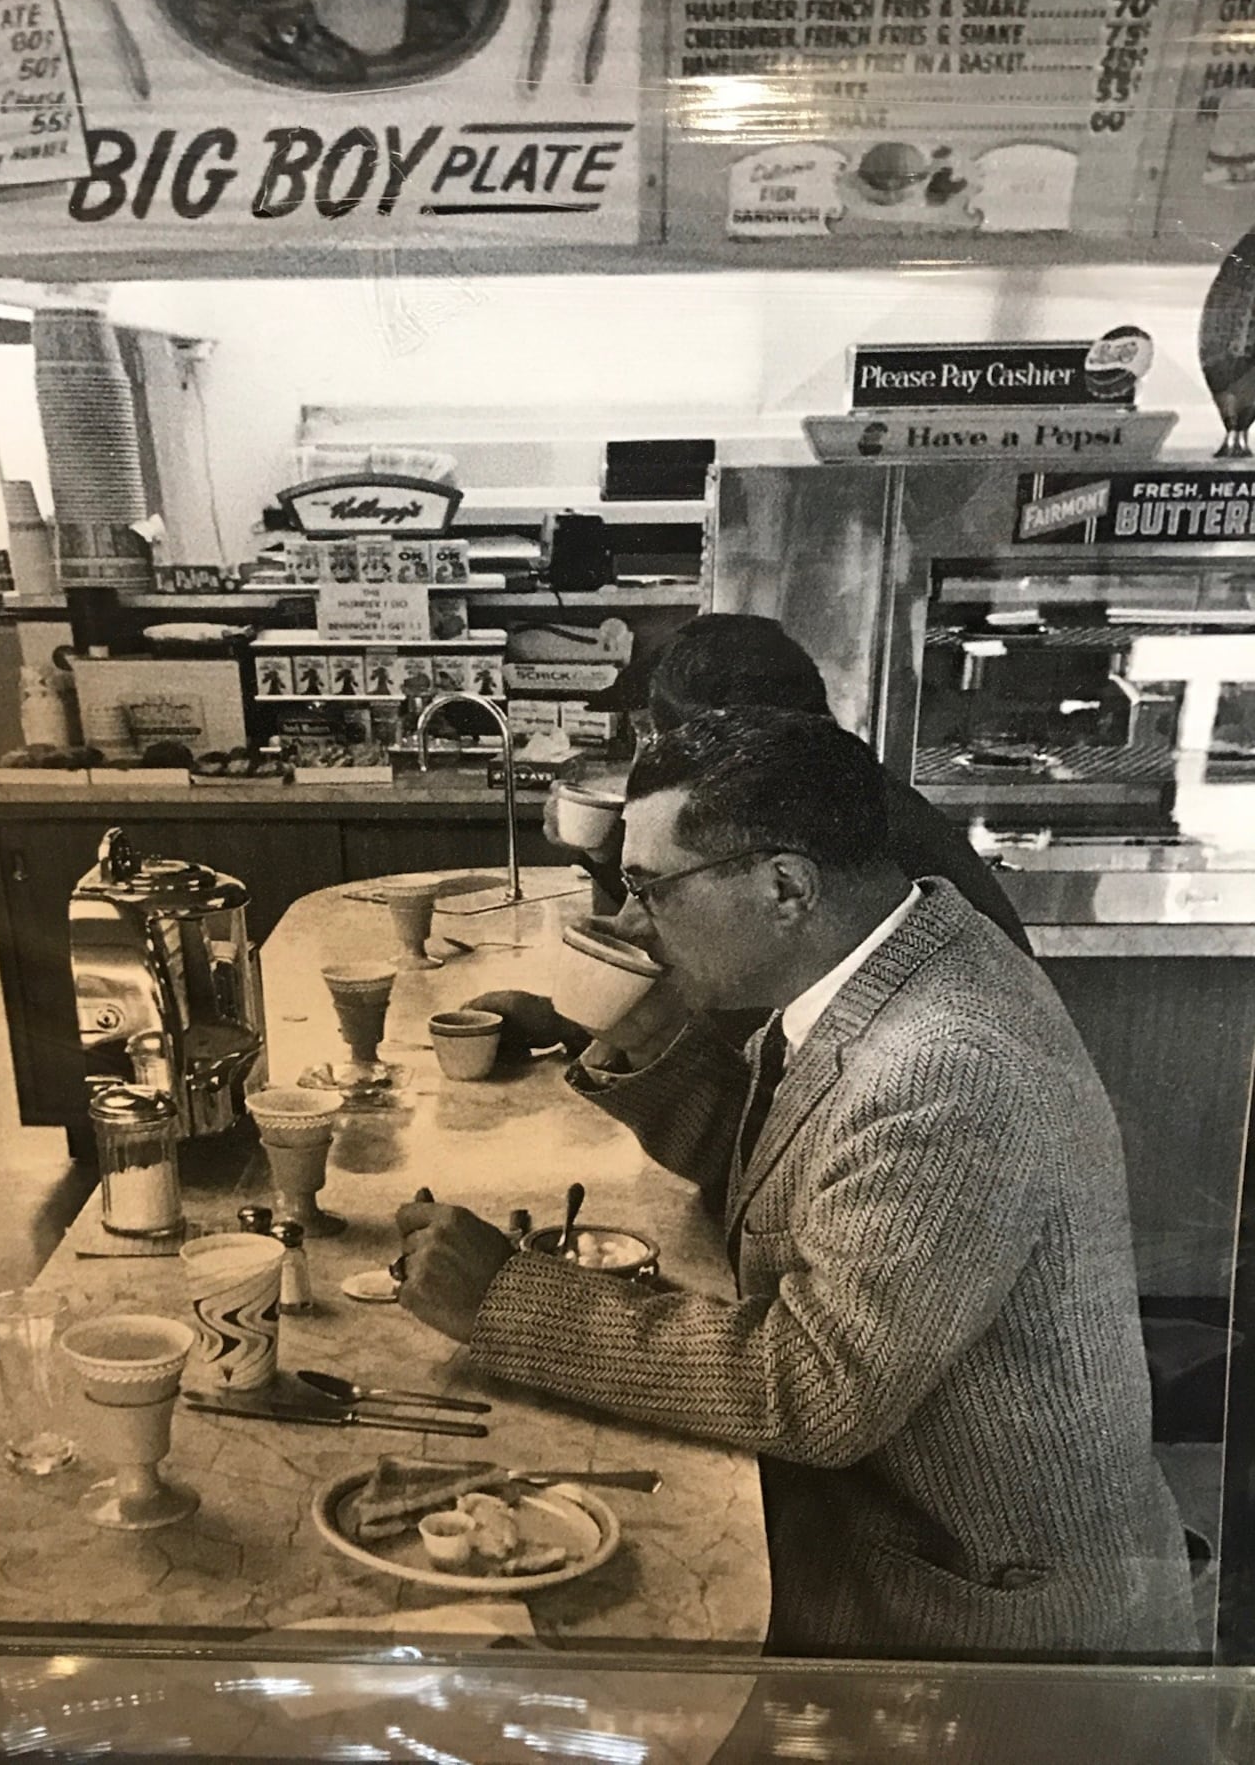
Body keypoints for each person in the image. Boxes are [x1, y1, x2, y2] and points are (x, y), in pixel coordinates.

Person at [397, 708, 1196, 1658]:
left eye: (652, 889)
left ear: (785, 885)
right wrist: (641, 1042)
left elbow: (813, 1386)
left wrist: (509, 1297)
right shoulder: (891, 956)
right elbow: (802, 1167)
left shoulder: (948, 1062)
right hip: (899, 1529)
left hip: (978, 1616)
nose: (624, 922)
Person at [547, 613, 1028, 950]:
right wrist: (604, 853)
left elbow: (726, 987)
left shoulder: (832, 831)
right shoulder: (836, 790)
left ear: (729, 745)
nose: (642, 763)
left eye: (650, 736)